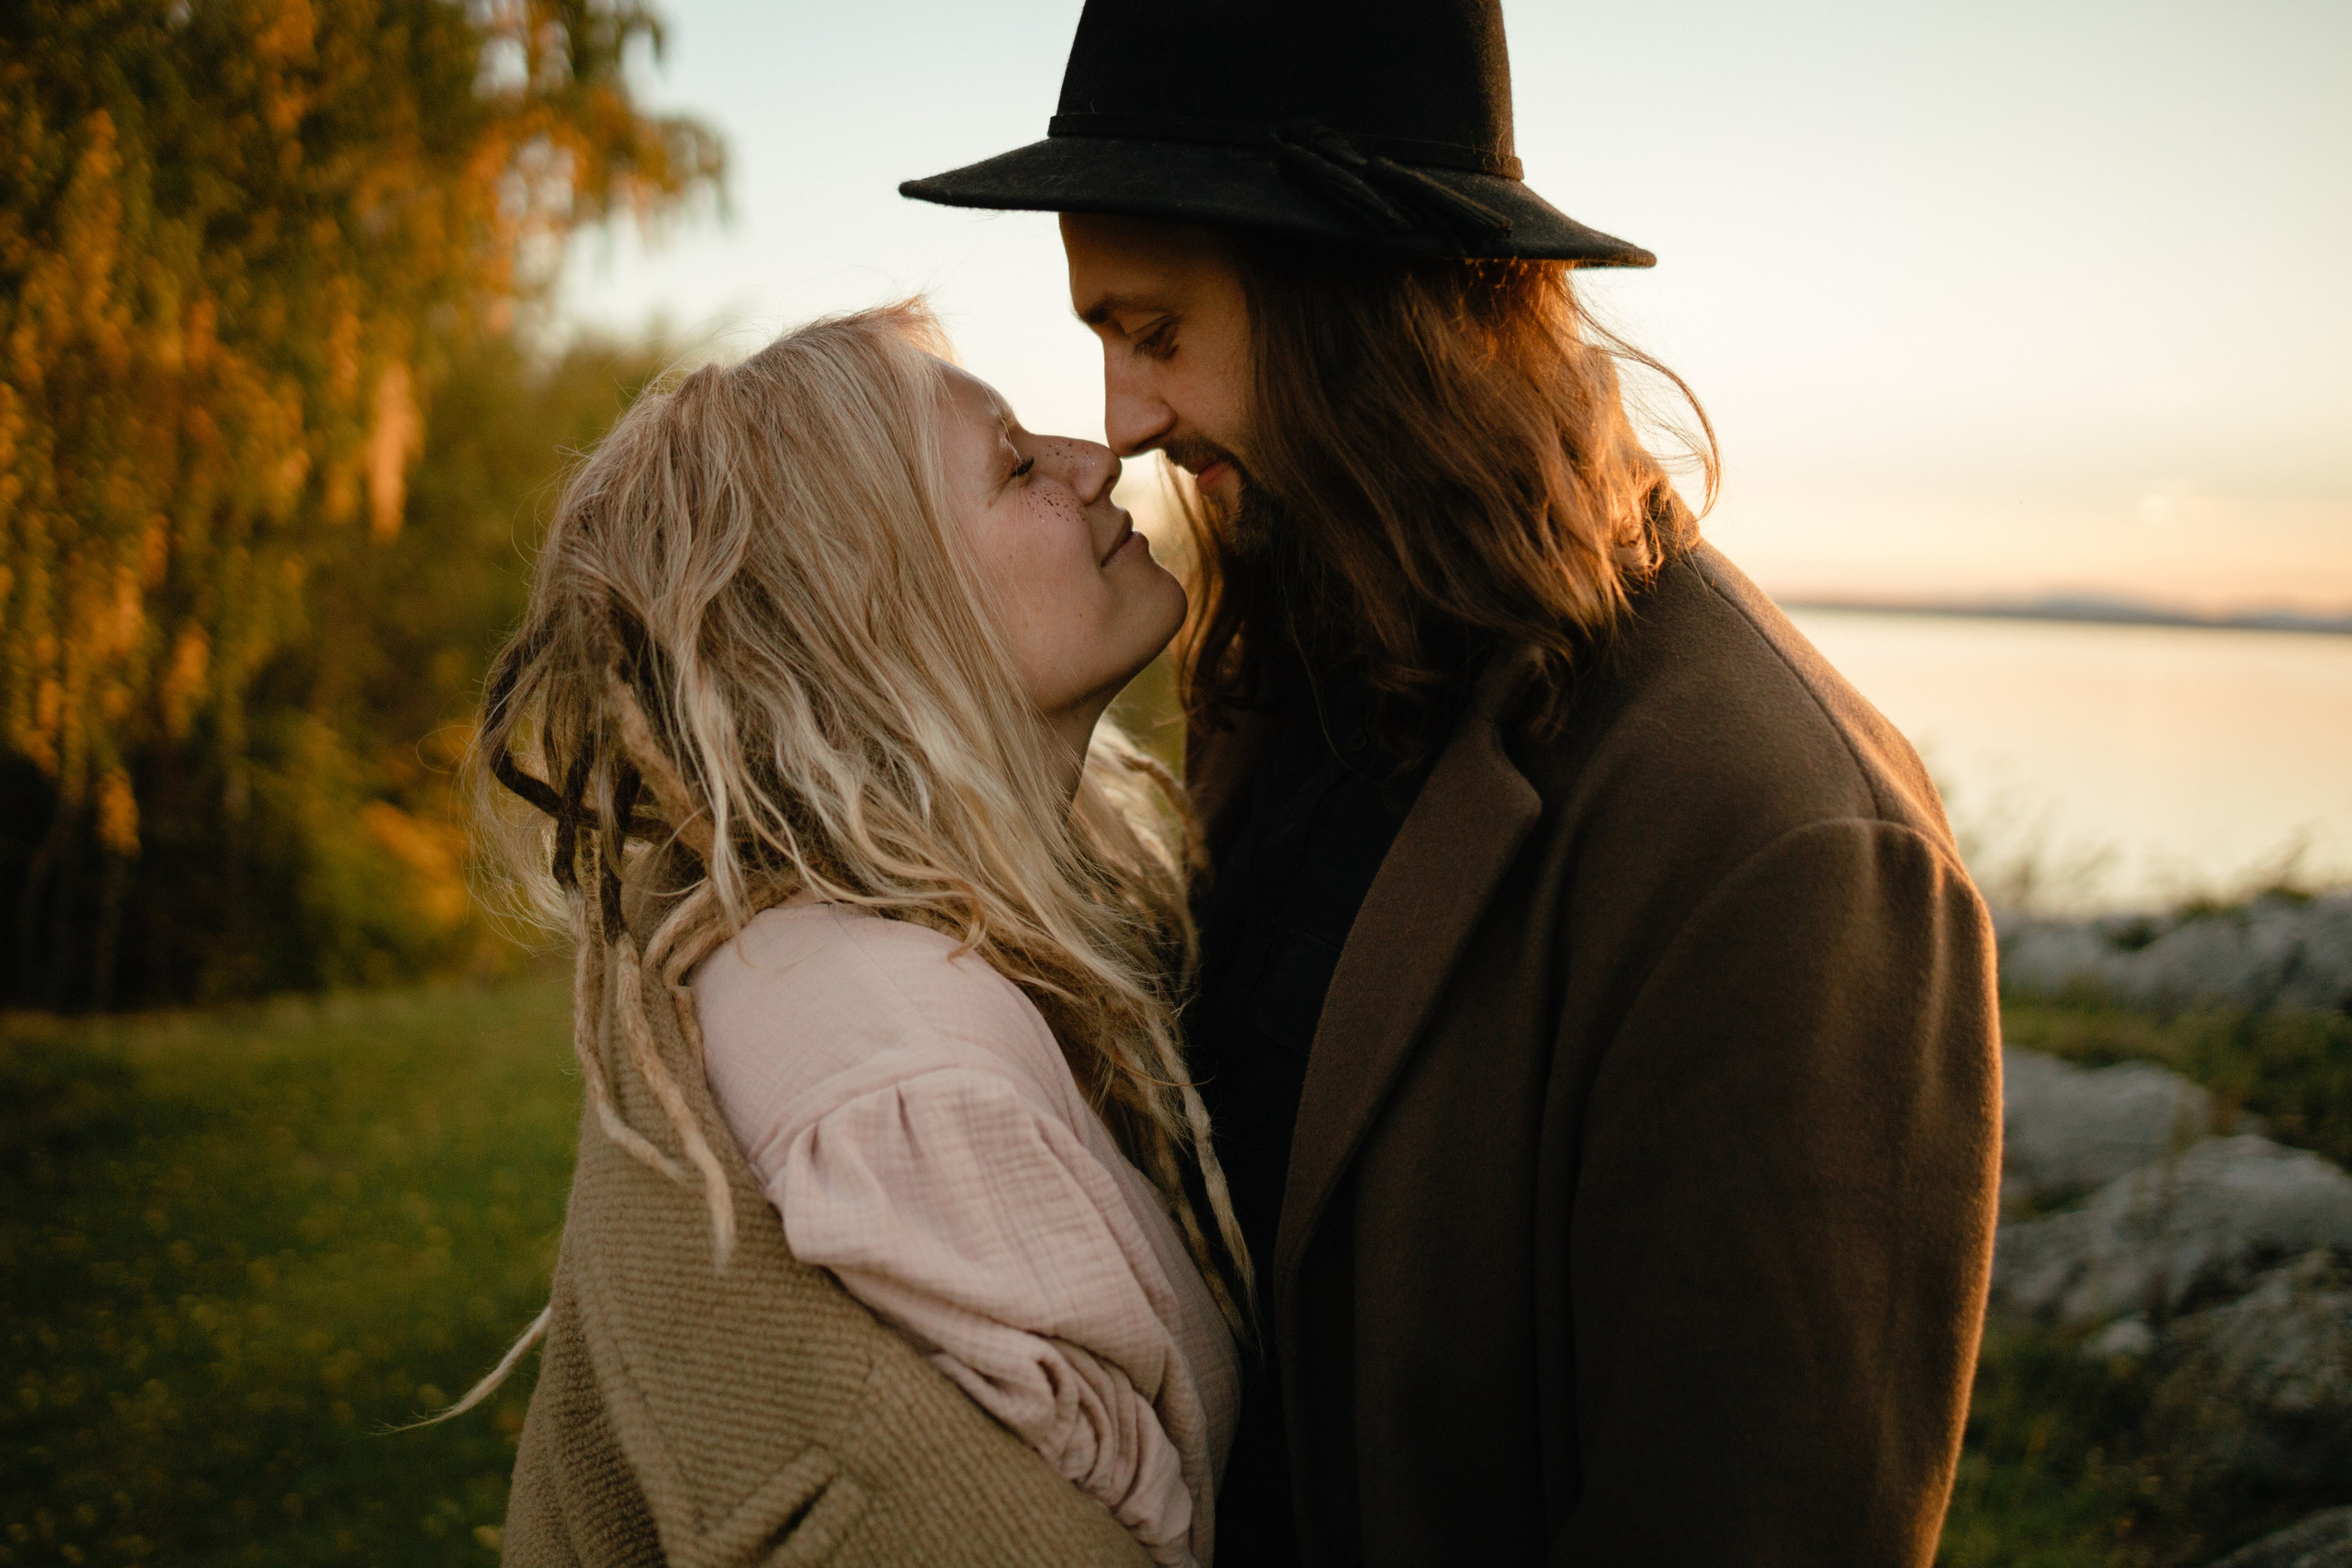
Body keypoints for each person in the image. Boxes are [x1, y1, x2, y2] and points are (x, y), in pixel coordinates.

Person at [900, 1, 2004, 1564]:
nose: (1125, 422)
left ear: (1367, 307)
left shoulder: (1789, 846)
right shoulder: (1290, 659)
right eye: (1104, 342)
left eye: (1156, 334)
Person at [469, 306, 1250, 1567]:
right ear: (879, 622)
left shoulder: (916, 945)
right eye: (1012, 467)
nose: (1093, 458)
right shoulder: (899, 1069)